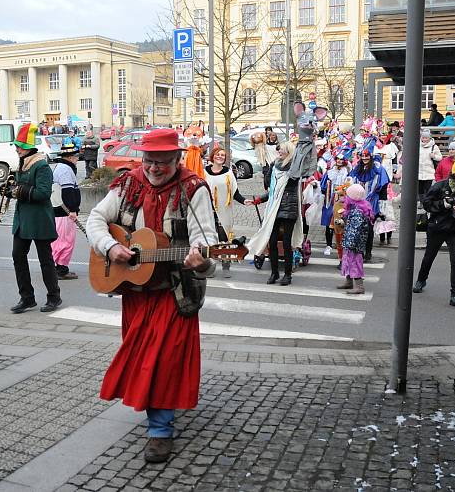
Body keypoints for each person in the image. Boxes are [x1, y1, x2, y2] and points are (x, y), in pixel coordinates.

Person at [86, 128, 217, 464]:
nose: (154, 168)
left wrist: (201, 259)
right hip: (136, 291)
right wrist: (110, 245)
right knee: (143, 358)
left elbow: (207, 241)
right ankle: (155, 410)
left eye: (162, 162)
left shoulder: (193, 188)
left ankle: (160, 430)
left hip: (174, 292)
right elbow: (96, 218)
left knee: (165, 359)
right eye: (149, 161)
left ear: (177, 159)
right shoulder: (128, 183)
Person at [1, 123, 62, 314]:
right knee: (17, 257)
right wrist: (8, 192)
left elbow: (43, 193)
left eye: (19, 146)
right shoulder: (21, 163)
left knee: (46, 260)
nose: (16, 149)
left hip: (39, 220)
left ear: (27, 147)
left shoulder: (41, 165)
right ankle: (27, 298)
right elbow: (19, 189)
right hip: (22, 220)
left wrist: (20, 191)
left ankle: (54, 296)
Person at [412, 158, 455, 309]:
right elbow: (427, 204)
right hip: (437, 229)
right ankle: (421, 280)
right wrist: (443, 204)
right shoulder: (440, 186)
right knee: (429, 256)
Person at [246, 141, 304, 286]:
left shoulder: (293, 168)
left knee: (286, 242)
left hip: (289, 208)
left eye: (282, 149)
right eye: (279, 149)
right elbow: (273, 190)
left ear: (289, 152)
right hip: (274, 208)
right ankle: (274, 272)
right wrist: (260, 199)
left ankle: (288, 275)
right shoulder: (275, 165)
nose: (279, 151)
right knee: (271, 242)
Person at [204, 147, 246, 278]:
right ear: (212, 156)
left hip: (223, 210)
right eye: (218, 154)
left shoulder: (228, 173)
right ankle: (209, 267)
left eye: (223, 155)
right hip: (207, 210)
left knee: (224, 239)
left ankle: (225, 265)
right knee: (208, 240)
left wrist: (244, 201)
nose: (220, 157)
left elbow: (234, 192)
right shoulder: (204, 172)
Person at [349, 148, 390, 263]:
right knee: (357, 228)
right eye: (363, 156)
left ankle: (368, 252)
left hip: (372, 203)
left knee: (369, 229)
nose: (365, 158)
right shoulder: (357, 168)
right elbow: (350, 183)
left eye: (367, 156)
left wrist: (382, 207)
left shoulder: (378, 169)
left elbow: (383, 187)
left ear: (370, 157)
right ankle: (359, 251)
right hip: (357, 203)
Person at [51, 144, 82, 280]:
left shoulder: (61, 167)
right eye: (76, 156)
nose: (77, 159)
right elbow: (68, 191)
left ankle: (56, 267)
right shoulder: (65, 170)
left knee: (59, 240)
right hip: (64, 212)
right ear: (69, 157)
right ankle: (61, 269)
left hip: (60, 211)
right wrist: (73, 210)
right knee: (65, 240)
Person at [337, 184, 373, 295]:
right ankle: (348, 282)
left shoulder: (357, 211)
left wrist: (350, 243)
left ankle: (359, 286)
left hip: (354, 244)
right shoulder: (356, 207)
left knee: (355, 263)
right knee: (347, 261)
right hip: (351, 242)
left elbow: (355, 229)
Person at [320, 150, 351, 256]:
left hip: (343, 200)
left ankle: (342, 246)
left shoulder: (347, 172)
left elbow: (350, 186)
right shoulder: (329, 172)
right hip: (330, 199)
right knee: (329, 222)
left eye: (341, 160)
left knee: (342, 222)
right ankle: (328, 245)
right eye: (337, 159)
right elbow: (323, 187)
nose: (339, 161)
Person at [417, 129, 442, 200]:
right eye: (423, 137)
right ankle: (422, 202)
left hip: (429, 171)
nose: (424, 139)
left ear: (430, 138)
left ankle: (427, 201)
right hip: (419, 171)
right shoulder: (418, 146)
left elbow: (440, 157)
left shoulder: (434, 147)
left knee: (427, 188)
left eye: (426, 138)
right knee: (420, 189)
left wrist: (434, 156)